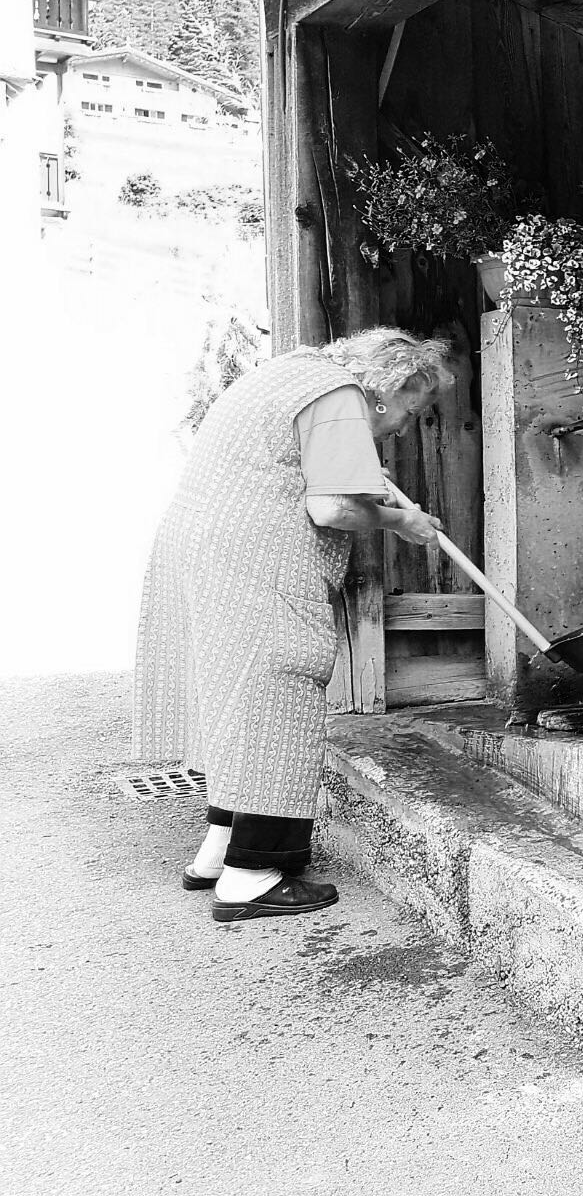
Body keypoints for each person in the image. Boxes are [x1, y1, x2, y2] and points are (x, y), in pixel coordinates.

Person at [134, 328, 453, 922]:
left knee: (240, 700)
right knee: (280, 696)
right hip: (259, 559)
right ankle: (251, 875)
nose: (407, 426)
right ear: (394, 384)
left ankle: (219, 853)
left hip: (208, 549)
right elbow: (332, 507)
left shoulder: (293, 373)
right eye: (414, 408)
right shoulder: (339, 397)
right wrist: (401, 522)